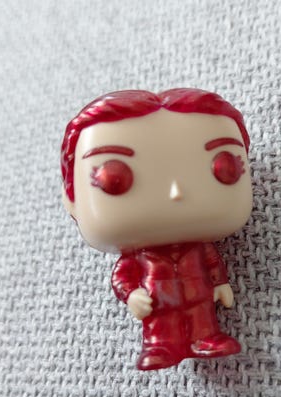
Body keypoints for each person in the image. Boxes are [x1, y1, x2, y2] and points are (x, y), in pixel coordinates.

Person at [61, 88, 252, 370]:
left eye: (225, 167)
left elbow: (212, 262)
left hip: (198, 295)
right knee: (162, 325)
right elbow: (123, 275)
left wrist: (221, 283)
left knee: (200, 317)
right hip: (158, 301)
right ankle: (160, 345)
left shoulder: (201, 247)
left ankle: (205, 337)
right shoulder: (138, 255)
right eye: (115, 177)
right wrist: (131, 294)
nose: (176, 191)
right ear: (71, 200)